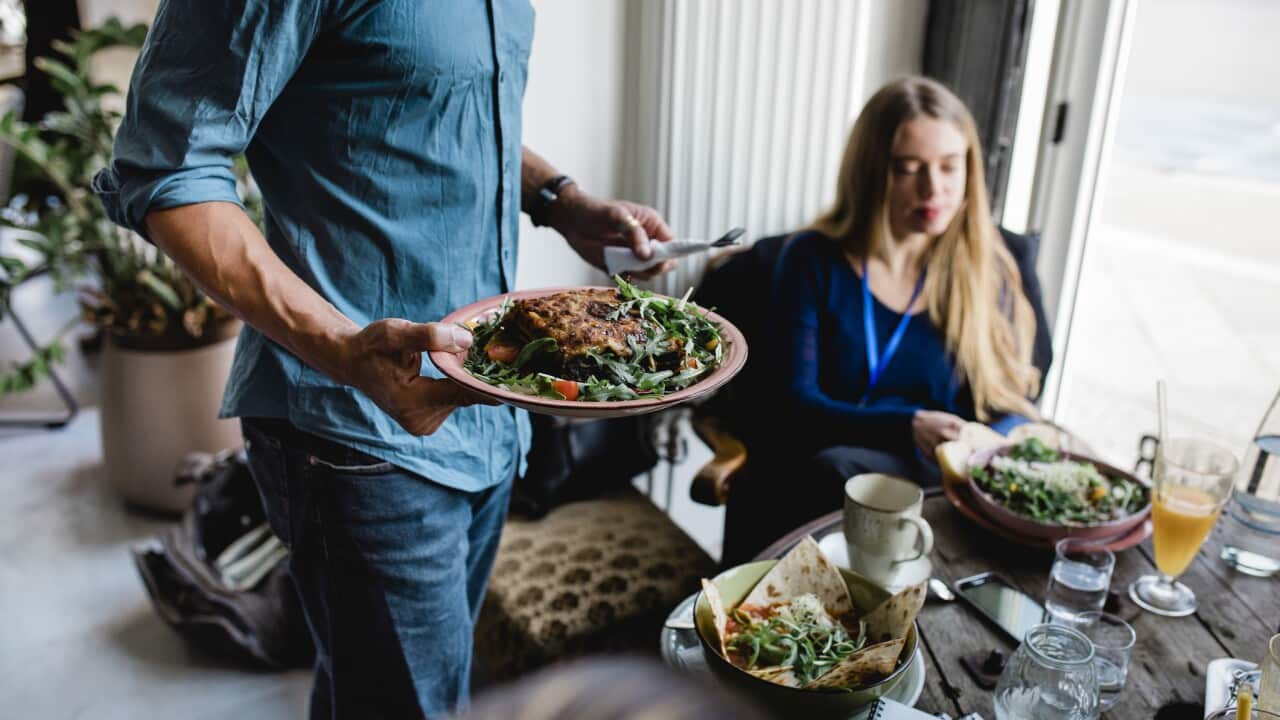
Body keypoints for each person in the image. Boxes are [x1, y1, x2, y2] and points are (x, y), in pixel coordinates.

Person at [93, 2, 674, 717]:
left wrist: (560, 200)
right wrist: (340, 348)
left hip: (483, 417)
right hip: (357, 430)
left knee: (373, 695)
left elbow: (433, 102)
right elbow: (168, 170)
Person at [724, 77, 1051, 560]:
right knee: (835, 473)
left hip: (935, 487)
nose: (932, 189)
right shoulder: (811, 260)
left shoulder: (991, 261)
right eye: (908, 169)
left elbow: (1018, 393)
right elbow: (795, 406)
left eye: (949, 167)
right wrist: (906, 424)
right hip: (822, 473)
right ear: (872, 172)